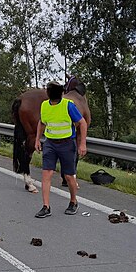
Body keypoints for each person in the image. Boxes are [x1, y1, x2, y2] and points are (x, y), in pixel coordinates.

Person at [34, 81, 87, 218]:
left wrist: (82, 144)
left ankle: (73, 201)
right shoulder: (44, 106)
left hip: (67, 144)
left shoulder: (68, 105)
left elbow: (82, 123)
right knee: (47, 174)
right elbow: (42, 122)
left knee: (69, 176)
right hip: (50, 143)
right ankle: (46, 207)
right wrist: (37, 139)